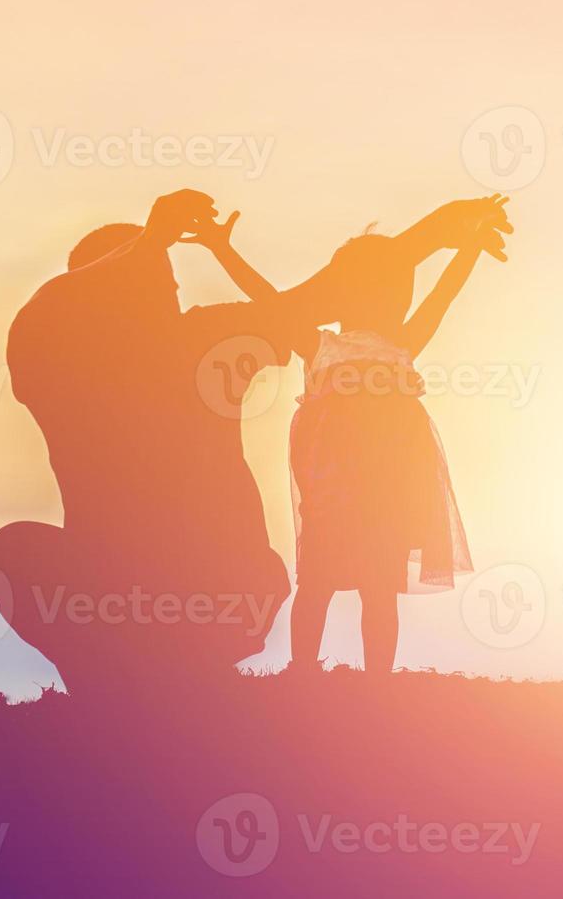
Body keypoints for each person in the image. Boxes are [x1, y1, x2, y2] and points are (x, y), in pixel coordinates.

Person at [0, 189, 338, 697]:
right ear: (96, 295)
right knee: (12, 552)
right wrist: (150, 240)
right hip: (113, 590)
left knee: (255, 576)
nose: (167, 291)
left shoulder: (205, 339)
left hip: (222, 583)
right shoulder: (56, 364)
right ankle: (114, 687)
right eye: (144, 278)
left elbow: (305, 307)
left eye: (166, 279)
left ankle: (180, 678)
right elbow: (50, 309)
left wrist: (431, 240)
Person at [204, 195, 515, 674]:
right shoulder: (321, 343)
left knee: (378, 584)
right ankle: (304, 670)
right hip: (332, 483)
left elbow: (444, 295)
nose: (381, 297)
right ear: (341, 295)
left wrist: (470, 248)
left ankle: (377, 682)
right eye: (365, 287)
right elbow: (269, 298)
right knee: (319, 580)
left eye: (390, 288)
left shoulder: (402, 343)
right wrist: (220, 249)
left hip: (389, 482)